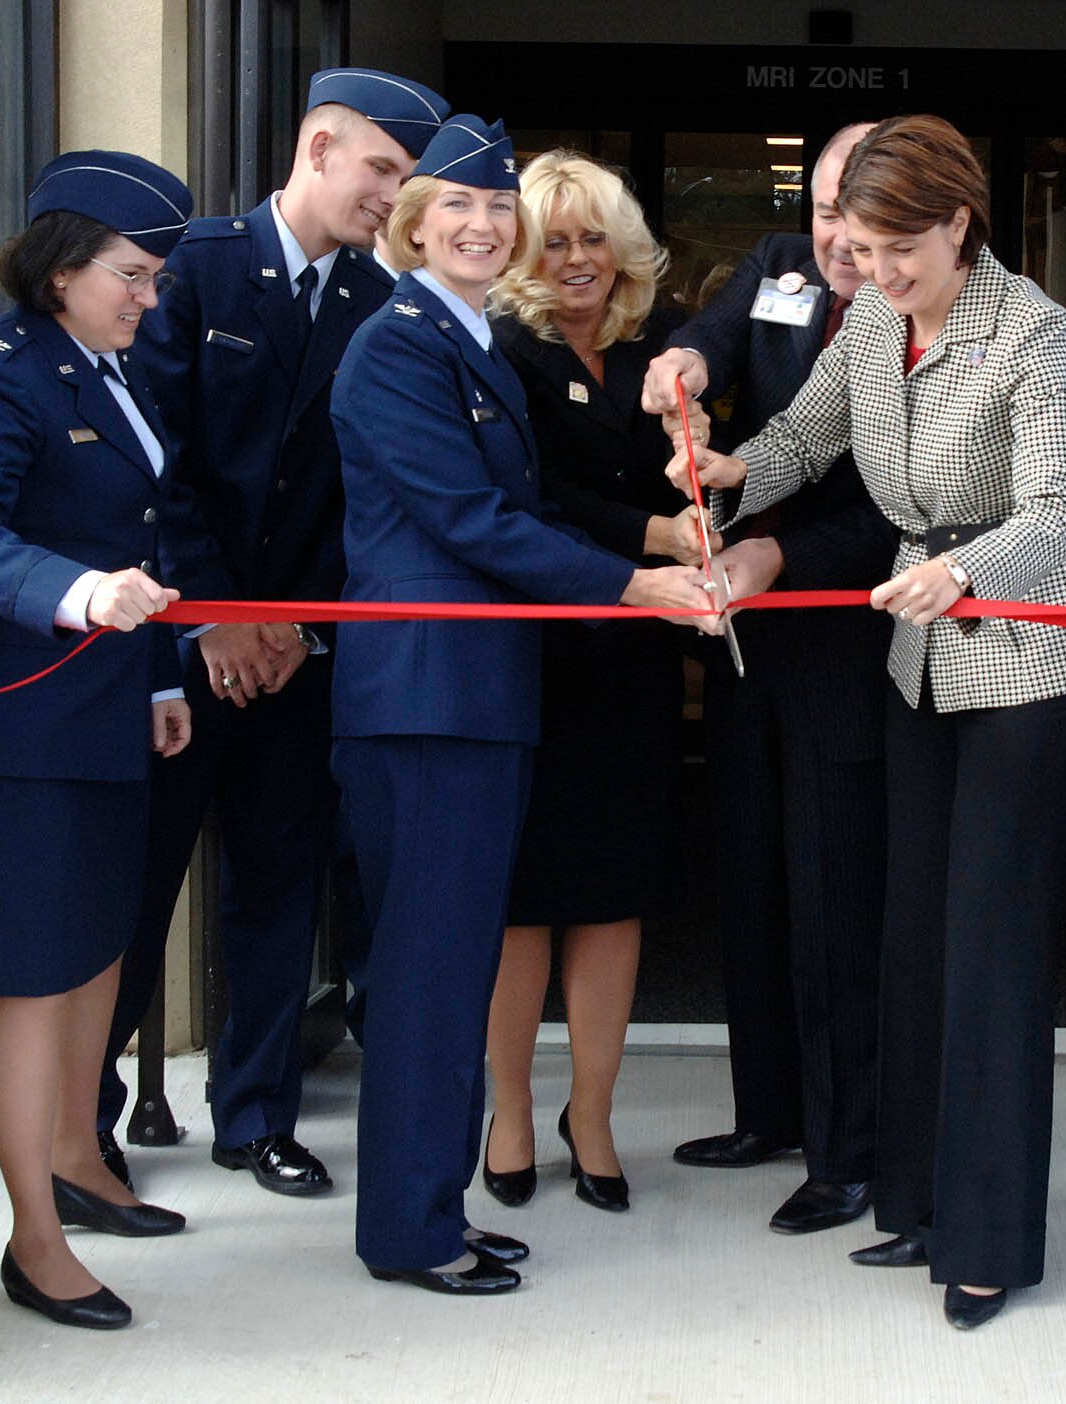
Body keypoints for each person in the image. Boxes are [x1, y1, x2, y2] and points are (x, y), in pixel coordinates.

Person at [667, 115, 1066, 1330]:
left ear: (959, 223)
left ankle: (986, 1242)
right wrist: (728, 474)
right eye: (859, 248)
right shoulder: (870, 316)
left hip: (1029, 659)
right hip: (921, 661)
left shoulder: (1033, 334)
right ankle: (913, 1204)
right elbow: (810, 431)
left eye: (897, 249)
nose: (873, 272)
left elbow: (1059, 506)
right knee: (912, 934)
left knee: (987, 950)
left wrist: (965, 570)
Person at [329, 114, 715, 1296]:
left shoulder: (471, 342)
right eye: (457, 207)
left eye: (498, 211)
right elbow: (476, 523)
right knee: (427, 976)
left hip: (477, 697)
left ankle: (429, 1206)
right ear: (411, 223)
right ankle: (409, 1231)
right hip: (429, 699)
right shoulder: (398, 346)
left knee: (445, 971)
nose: (484, 226)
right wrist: (633, 581)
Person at [99, 67, 449, 1199]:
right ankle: (82, 1123)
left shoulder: (370, 303)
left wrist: (292, 624)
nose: (394, 201)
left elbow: (357, 486)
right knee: (136, 895)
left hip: (293, 657)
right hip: (176, 642)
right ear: (318, 145)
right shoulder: (194, 269)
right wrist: (217, 616)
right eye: (383, 172)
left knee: (277, 889)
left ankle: (254, 1118)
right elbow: (154, 455)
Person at [0, 150, 198, 1329]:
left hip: (102, 720)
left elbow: (144, 526)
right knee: (38, 980)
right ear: (62, 264)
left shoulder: (94, 364)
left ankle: (78, 1162)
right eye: (131, 274)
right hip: (25, 738)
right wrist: (79, 596)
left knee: (94, 959)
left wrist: (155, 680)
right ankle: (31, 1241)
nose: (148, 296)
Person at [639, 121, 897, 1237]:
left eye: (859, 212)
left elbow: (898, 511)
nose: (839, 238)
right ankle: (768, 1113)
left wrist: (779, 553)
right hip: (749, 632)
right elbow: (712, 335)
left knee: (834, 894)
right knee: (748, 871)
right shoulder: (776, 267)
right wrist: (686, 364)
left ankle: (847, 1152)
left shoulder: (920, 305)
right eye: (827, 210)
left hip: (849, 622)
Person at [481, 150, 706, 1214]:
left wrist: (704, 491)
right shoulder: (502, 353)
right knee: (523, 903)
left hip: (634, 668)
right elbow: (534, 497)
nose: (577, 258)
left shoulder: (666, 353)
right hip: (539, 659)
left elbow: (702, 464)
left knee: (614, 899)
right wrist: (658, 531)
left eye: (592, 236)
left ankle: (594, 1115)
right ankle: (514, 1113)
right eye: (554, 238)